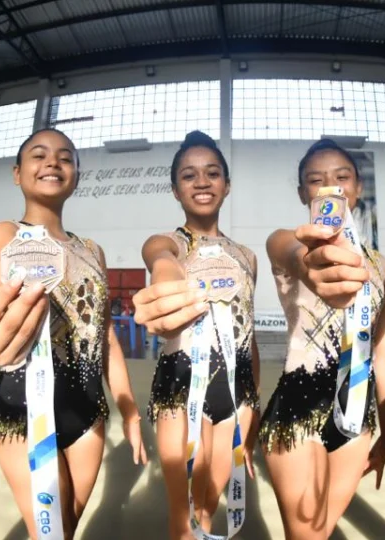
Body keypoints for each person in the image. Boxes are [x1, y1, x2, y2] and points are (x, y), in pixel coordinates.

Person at [0, 127, 146, 539]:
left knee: (65, 527)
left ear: (76, 175)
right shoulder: (6, 234)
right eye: (39, 155)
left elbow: (106, 338)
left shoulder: (92, 250)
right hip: (24, 409)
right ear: (17, 173)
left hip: (88, 412)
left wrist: (129, 408)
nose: (52, 162)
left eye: (65, 157)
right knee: (52, 531)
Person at [259, 139, 385, 539]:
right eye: (315, 180)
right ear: (304, 192)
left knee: (323, 528)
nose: (330, 186)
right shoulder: (287, 241)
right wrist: (309, 265)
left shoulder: (382, 265)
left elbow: (384, 351)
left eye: (341, 177)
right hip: (297, 406)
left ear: (357, 188)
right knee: (303, 532)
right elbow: (289, 254)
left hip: (357, 407)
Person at [132, 131, 260, 539]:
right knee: (184, 517)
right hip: (181, 386)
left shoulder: (247, 256)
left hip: (238, 394)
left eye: (212, 173)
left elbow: (250, 335)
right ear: (175, 189)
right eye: (189, 175)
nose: (202, 182)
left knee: (209, 505)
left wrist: (251, 411)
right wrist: (165, 272)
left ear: (227, 184)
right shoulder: (169, 242)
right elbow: (158, 254)